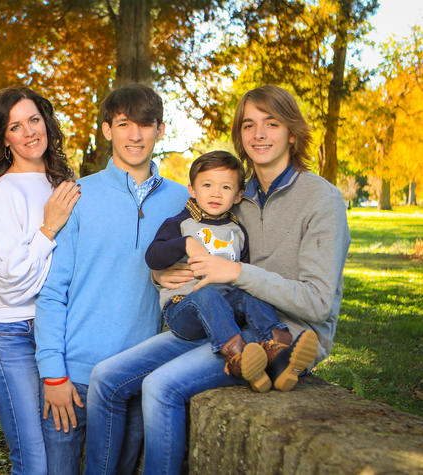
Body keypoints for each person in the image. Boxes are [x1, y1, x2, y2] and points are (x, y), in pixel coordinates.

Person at [85, 85, 351, 475]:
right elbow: (192, 245)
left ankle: (276, 361)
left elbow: (319, 302)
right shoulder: (235, 199)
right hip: (220, 316)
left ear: (292, 133)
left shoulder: (320, 199)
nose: (259, 134)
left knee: (161, 388)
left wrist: (238, 273)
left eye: (271, 123)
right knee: (105, 378)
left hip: (284, 331)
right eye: (249, 125)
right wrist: (163, 272)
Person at [34, 84, 189, 475]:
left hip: (136, 377)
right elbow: (52, 293)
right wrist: (54, 373)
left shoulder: (184, 201)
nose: (135, 135)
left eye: (145, 125)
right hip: (73, 377)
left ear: (160, 130)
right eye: (124, 124)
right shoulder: (77, 195)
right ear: (107, 130)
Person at [144, 150, 309, 393]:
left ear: (238, 195)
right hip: (184, 309)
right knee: (207, 294)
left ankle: (277, 352)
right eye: (207, 185)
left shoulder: (237, 230)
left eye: (225, 187)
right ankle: (236, 358)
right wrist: (186, 243)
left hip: (224, 311)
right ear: (192, 189)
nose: (215, 193)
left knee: (250, 294)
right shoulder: (180, 224)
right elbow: (153, 257)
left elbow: (242, 274)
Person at [0, 86, 80, 475]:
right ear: (4, 140)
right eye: (15, 127)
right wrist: (49, 227)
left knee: (63, 444)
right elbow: (12, 283)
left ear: (47, 123)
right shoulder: (2, 194)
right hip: (13, 336)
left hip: (60, 331)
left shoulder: (66, 183)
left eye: (34, 120)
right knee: (34, 460)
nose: (29, 132)